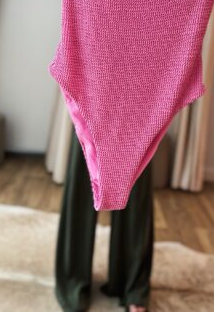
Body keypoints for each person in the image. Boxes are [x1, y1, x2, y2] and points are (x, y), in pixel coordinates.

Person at [55, 128, 154, 312]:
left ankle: (133, 286)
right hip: (91, 109)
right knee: (82, 179)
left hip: (141, 111)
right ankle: (73, 279)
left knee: (136, 190)